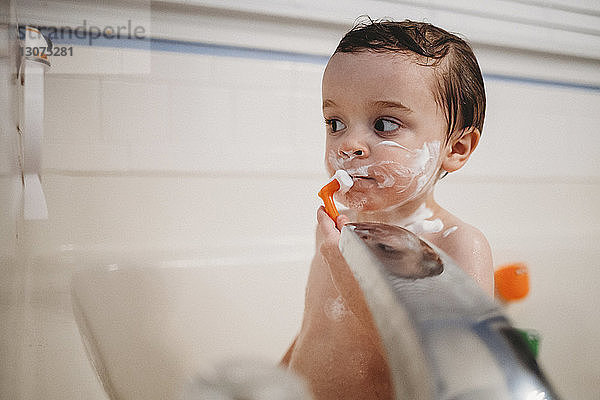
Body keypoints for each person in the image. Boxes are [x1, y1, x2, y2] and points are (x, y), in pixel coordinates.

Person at [280, 18, 493, 400]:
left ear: (456, 148)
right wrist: (276, 379)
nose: (349, 145)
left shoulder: (456, 245)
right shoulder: (336, 226)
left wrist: (350, 274)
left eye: (384, 124)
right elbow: (315, 327)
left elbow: (456, 376)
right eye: (335, 122)